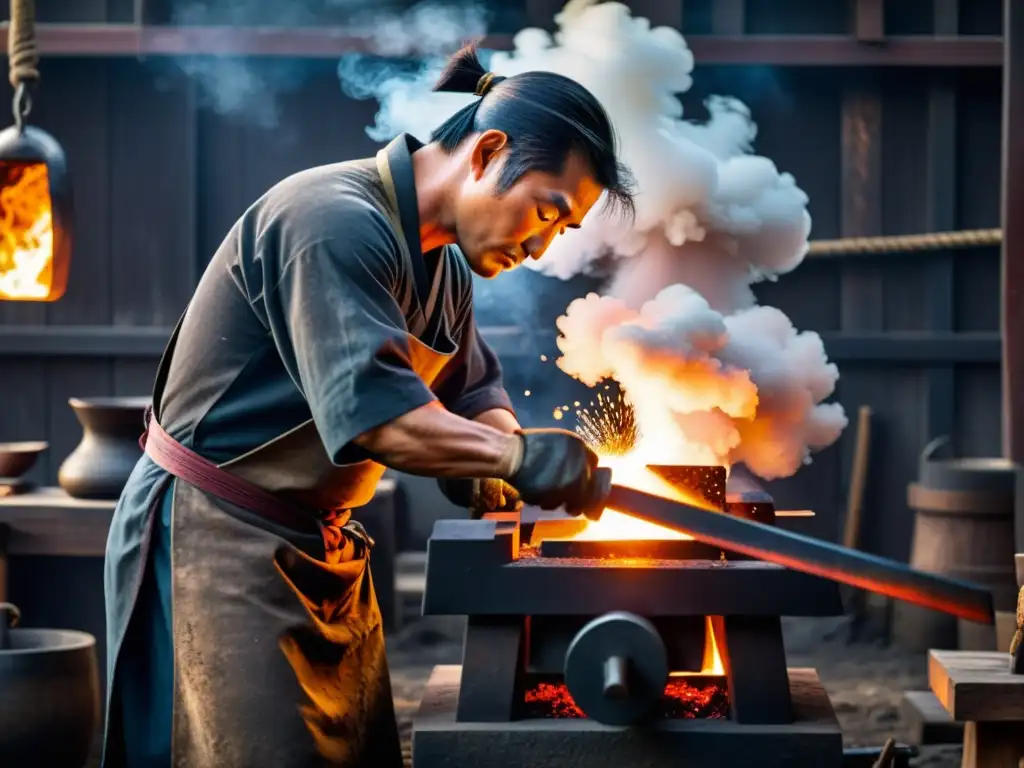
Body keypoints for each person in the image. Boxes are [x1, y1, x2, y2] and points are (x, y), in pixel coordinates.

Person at [101, 43, 634, 767]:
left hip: (320, 551)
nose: (540, 248)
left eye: (560, 231)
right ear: (487, 153)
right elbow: (381, 419)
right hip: (214, 543)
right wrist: (519, 456)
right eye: (545, 212)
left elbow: (472, 391)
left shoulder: (443, 266)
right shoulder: (331, 220)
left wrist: (498, 451)